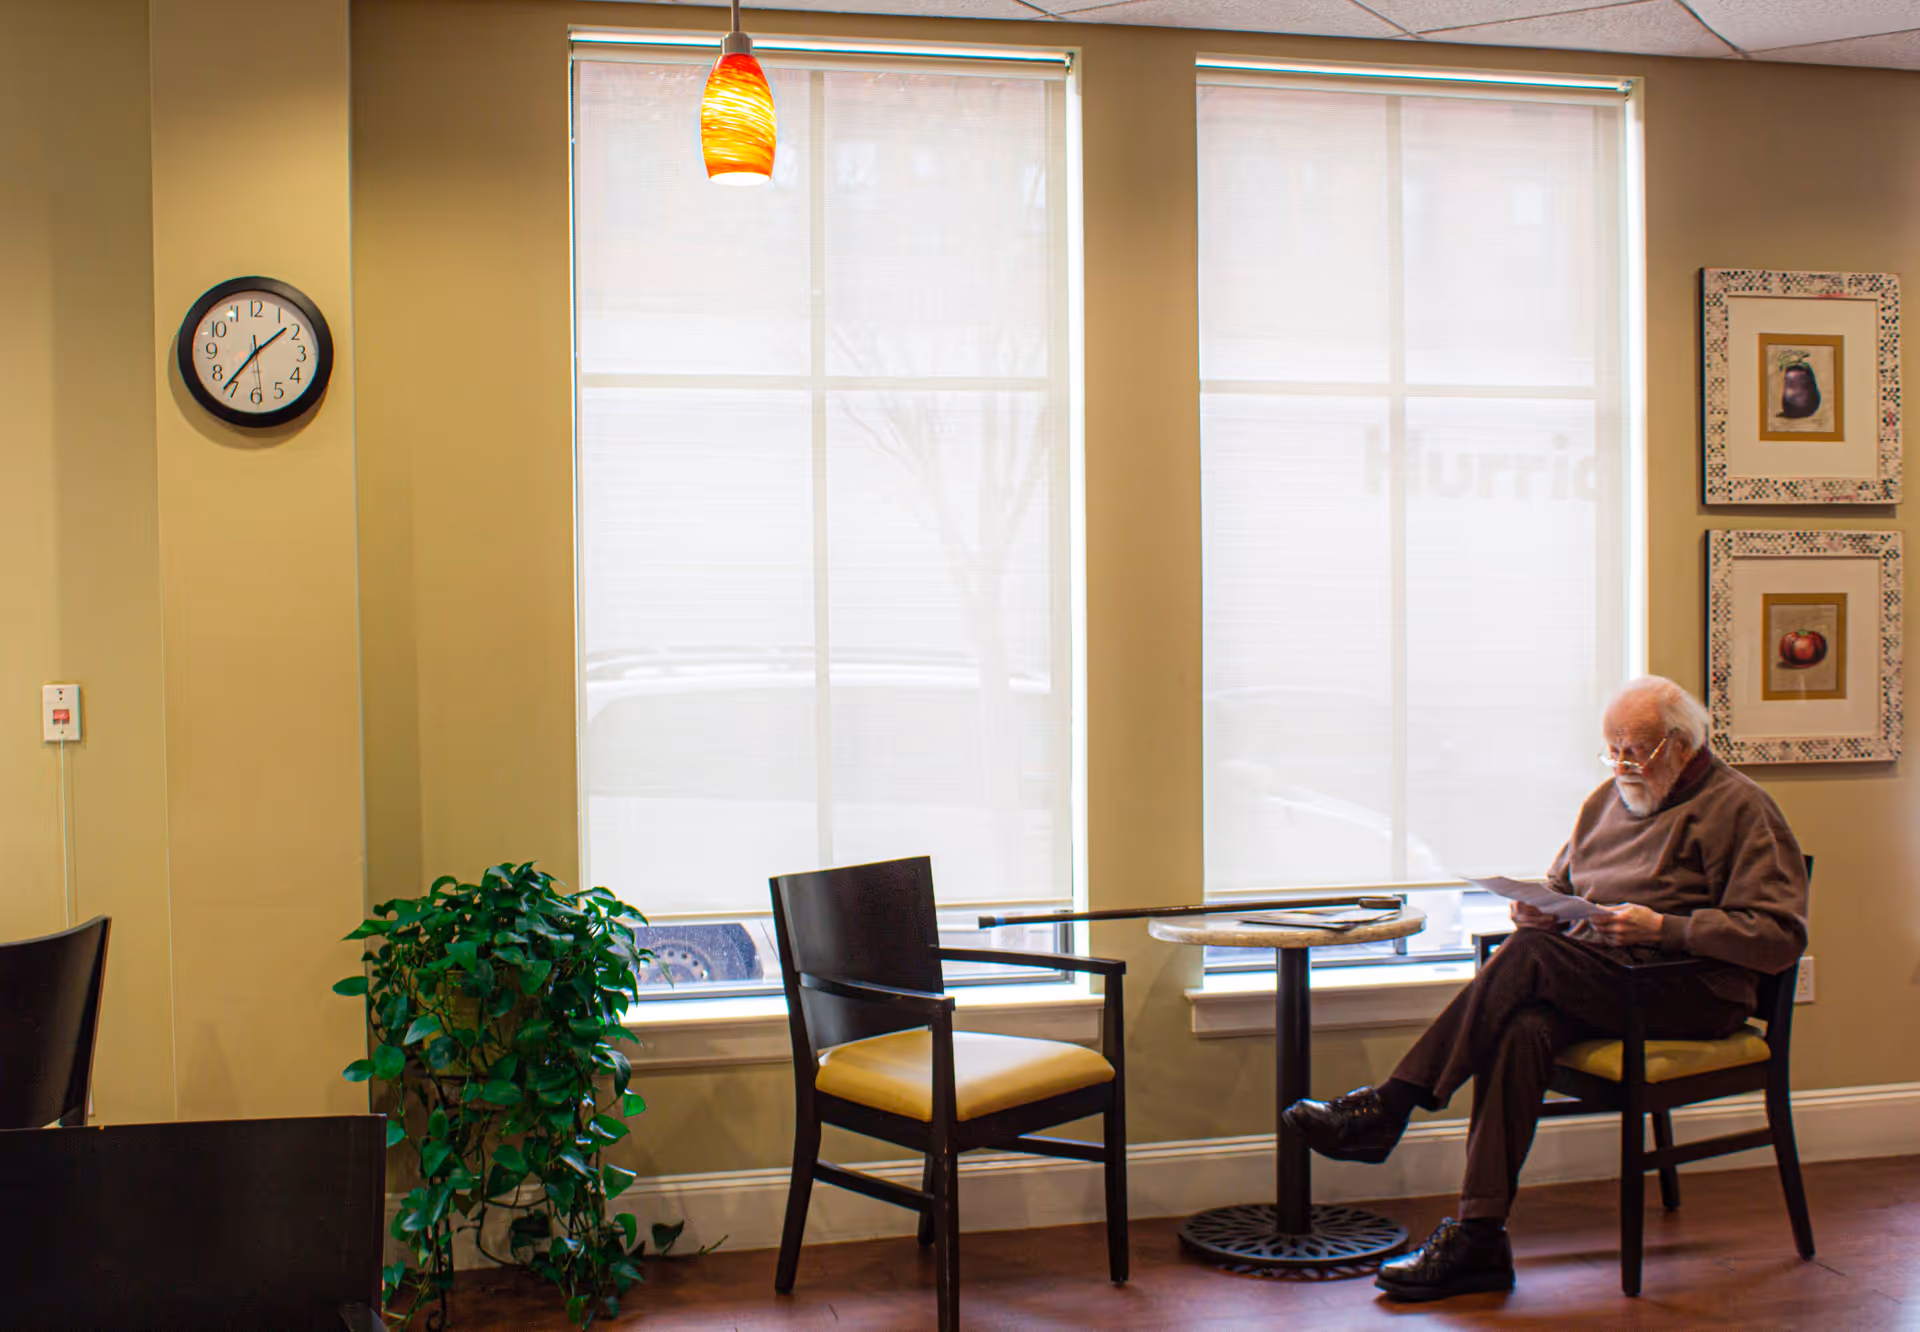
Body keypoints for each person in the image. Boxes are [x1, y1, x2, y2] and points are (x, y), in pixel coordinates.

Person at [1281, 675, 1809, 1302]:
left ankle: (1389, 1106)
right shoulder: (1606, 801)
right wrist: (1535, 910)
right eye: (1611, 749)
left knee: (1529, 960)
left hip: (1693, 990)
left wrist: (1665, 927)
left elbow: (1777, 936)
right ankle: (1479, 1237)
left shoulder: (1740, 808)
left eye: (1635, 749)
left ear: (1681, 744)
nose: (1621, 764)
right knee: (1523, 1025)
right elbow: (1561, 886)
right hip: (1605, 979)